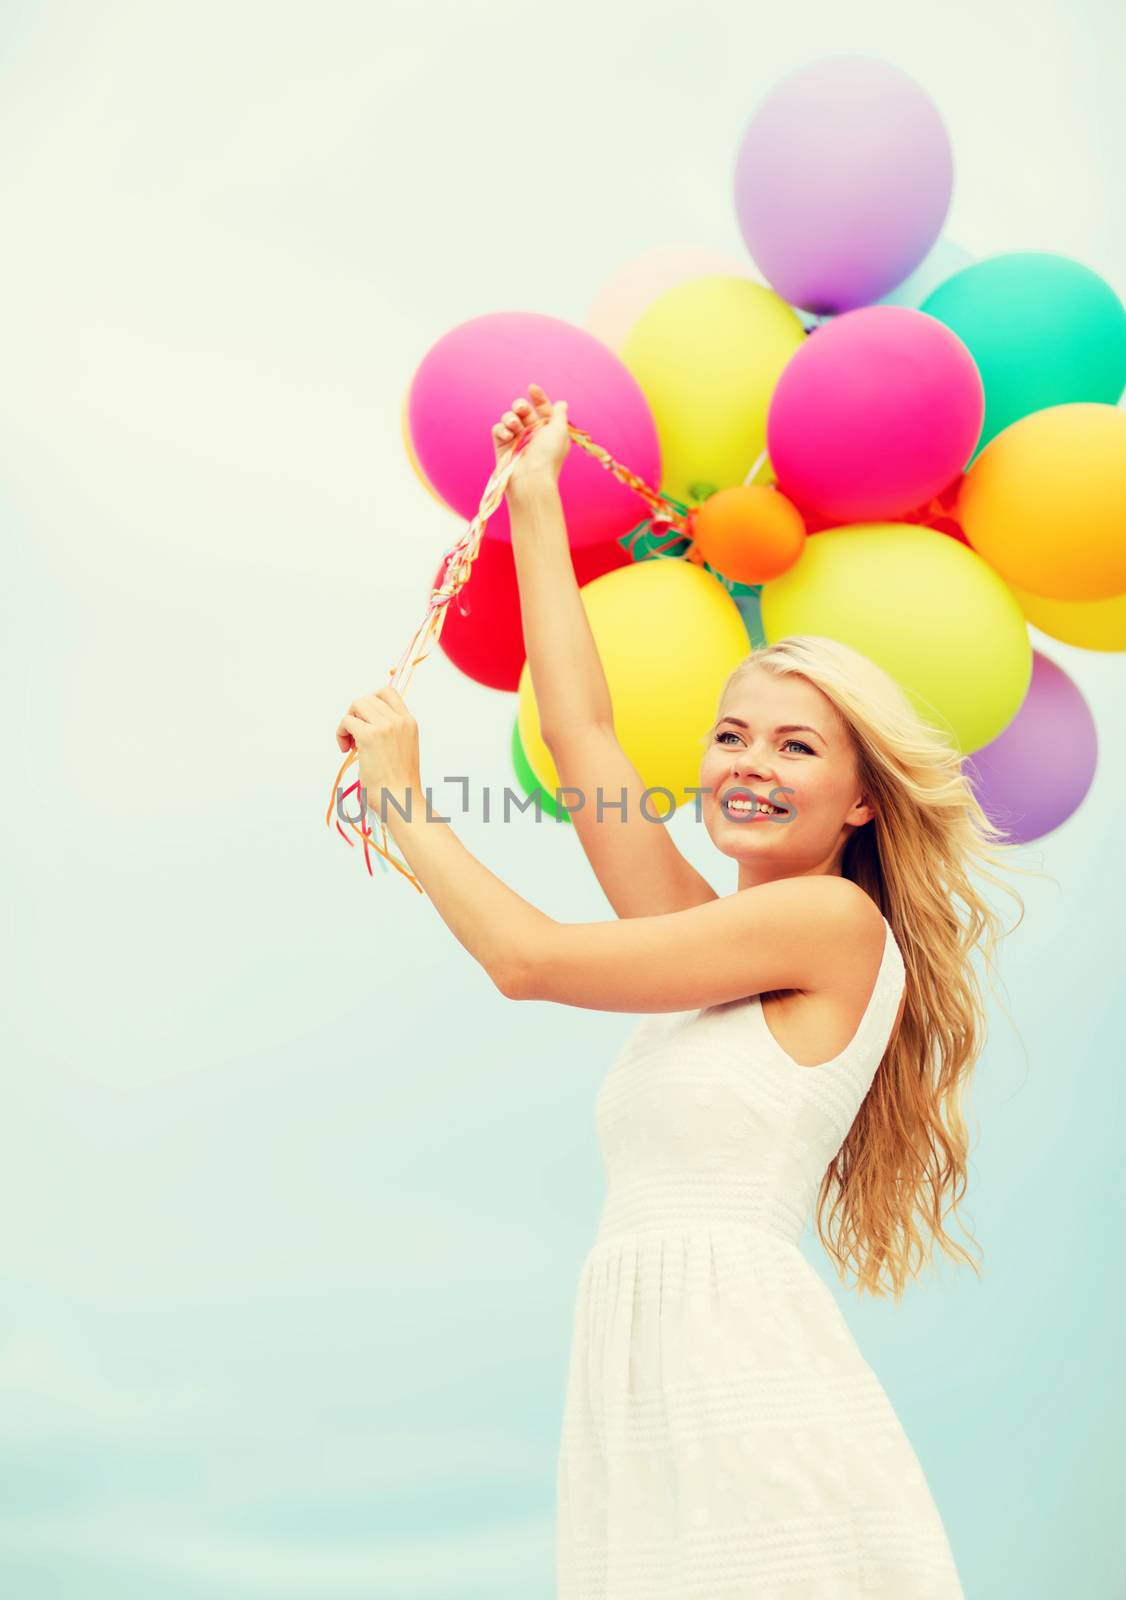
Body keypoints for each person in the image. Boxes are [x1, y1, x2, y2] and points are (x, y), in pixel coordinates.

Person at [335, 383, 1035, 1598]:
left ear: (864, 800)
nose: (750, 764)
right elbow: (586, 735)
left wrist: (404, 808)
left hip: (740, 1378)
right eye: (731, 735)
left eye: (797, 746)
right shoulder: (712, 945)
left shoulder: (830, 922)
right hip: (643, 1379)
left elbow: (530, 961)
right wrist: (543, 497)